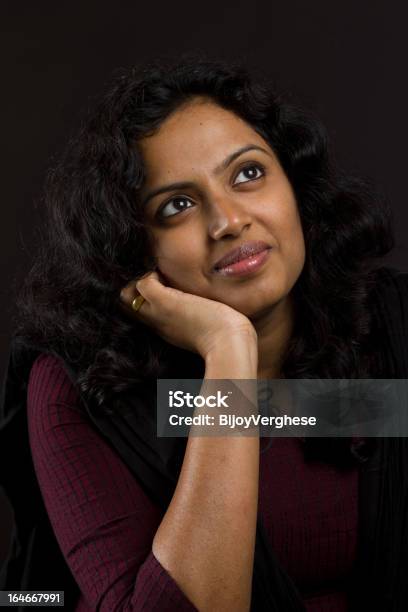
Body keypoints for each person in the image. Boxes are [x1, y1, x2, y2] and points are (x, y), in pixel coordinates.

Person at [1, 55, 408, 611]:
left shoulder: (391, 323)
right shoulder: (83, 392)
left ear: (295, 183)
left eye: (248, 173)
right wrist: (227, 350)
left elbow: (354, 411)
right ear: (134, 246)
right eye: (178, 205)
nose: (228, 221)